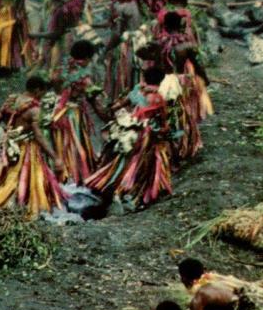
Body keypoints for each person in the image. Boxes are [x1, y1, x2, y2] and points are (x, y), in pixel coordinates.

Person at [0, 76, 66, 216]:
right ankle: (15, 208)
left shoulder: (10, 102)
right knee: (22, 178)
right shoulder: (34, 109)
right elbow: (39, 136)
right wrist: (55, 157)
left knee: (6, 177)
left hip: (9, 149)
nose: (42, 97)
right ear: (37, 90)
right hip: (27, 150)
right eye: (42, 93)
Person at [86, 67, 174, 207]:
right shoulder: (158, 98)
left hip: (127, 132)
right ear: (162, 81)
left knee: (120, 162)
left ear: (144, 78)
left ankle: (106, 189)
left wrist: (100, 105)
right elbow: (162, 122)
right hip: (145, 137)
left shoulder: (136, 93)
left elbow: (114, 108)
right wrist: (166, 132)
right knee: (140, 165)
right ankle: (129, 193)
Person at [155, 11, 212, 159]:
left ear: (165, 25)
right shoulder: (187, 45)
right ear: (180, 25)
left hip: (163, 82)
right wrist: (205, 78)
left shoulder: (158, 43)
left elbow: (149, 60)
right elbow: (198, 65)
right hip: (181, 82)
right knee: (183, 112)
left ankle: (168, 146)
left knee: (166, 113)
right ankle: (184, 144)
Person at [50, 40, 107, 185]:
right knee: (76, 150)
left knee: (62, 148)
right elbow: (94, 102)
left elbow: (54, 83)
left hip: (57, 111)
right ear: (88, 58)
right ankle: (74, 180)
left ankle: (62, 180)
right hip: (72, 116)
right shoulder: (83, 77)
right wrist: (107, 117)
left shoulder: (61, 69)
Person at [31, 0, 86, 73]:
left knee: (60, 68)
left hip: (65, 39)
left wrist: (33, 35)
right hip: (73, 34)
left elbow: (56, 34)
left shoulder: (65, 8)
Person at [102, 0, 143, 104]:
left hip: (126, 45)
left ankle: (120, 103)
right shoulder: (134, 1)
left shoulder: (118, 6)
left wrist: (106, 50)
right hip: (139, 41)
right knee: (135, 73)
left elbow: (117, 33)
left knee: (122, 75)